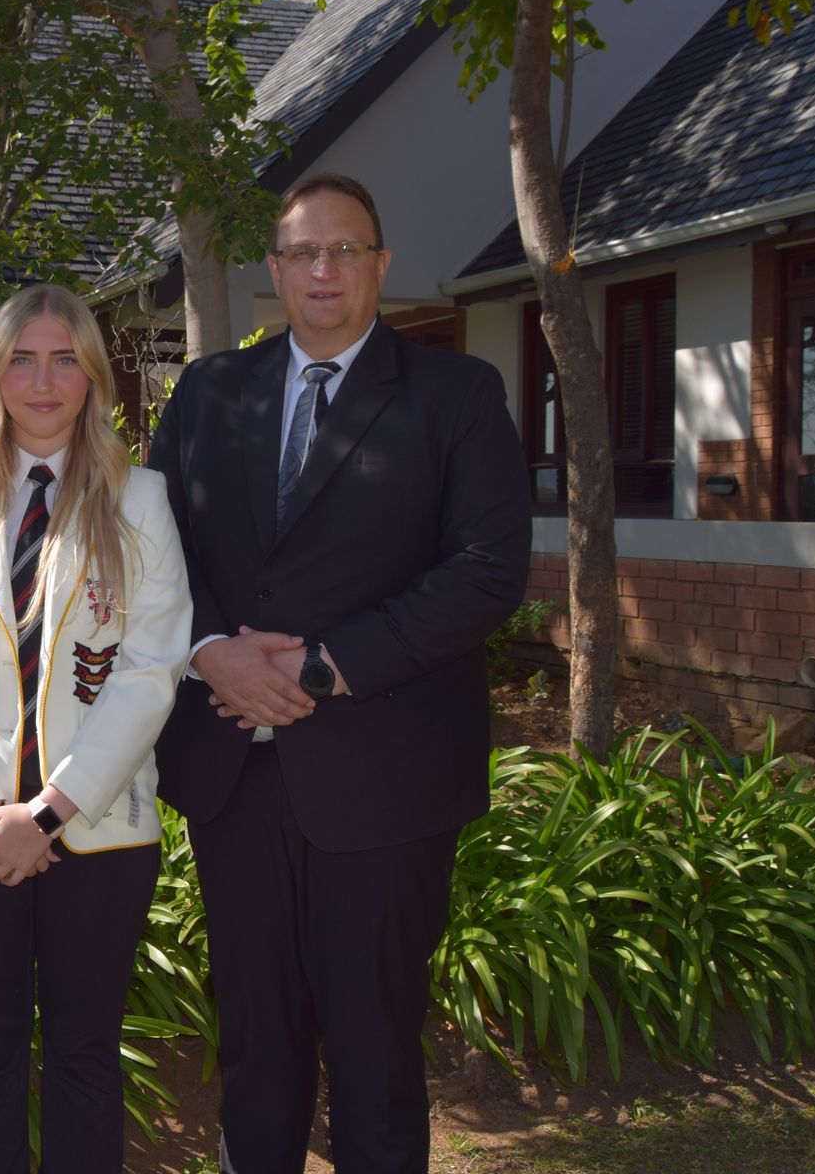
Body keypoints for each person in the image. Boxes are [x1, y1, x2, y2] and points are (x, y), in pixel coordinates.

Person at [148, 173, 532, 1173]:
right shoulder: (208, 394)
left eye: (345, 250)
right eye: (303, 252)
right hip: (232, 771)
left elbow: (488, 570)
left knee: (374, 1042)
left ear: (381, 264)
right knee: (254, 1033)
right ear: (275, 269)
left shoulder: (456, 395)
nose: (324, 269)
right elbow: (149, 556)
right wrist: (210, 650)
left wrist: (325, 667)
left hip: (386, 776)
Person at [0, 284, 190, 1173]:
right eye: (22, 360)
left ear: (92, 375)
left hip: (98, 829)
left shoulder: (140, 499)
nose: (43, 382)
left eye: (64, 361)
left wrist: (48, 813)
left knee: (85, 1053)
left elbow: (151, 669)